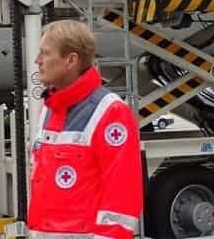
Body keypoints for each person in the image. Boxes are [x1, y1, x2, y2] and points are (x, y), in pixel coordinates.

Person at [29, 20, 143, 239]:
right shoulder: (50, 109)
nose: (37, 61)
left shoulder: (111, 112)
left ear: (70, 60)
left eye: (45, 53)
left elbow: (121, 200)